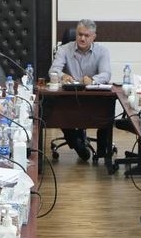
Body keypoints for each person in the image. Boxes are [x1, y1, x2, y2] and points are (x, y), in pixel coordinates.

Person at [48, 19, 112, 161]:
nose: (82, 38)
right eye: (79, 34)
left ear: (93, 37)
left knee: (107, 110)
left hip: (93, 99)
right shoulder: (64, 49)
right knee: (56, 110)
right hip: (68, 98)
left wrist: (93, 80)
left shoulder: (102, 51)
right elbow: (53, 70)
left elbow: (106, 74)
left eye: (86, 35)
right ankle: (75, 142)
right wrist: (63, 76)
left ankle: (103, 152)